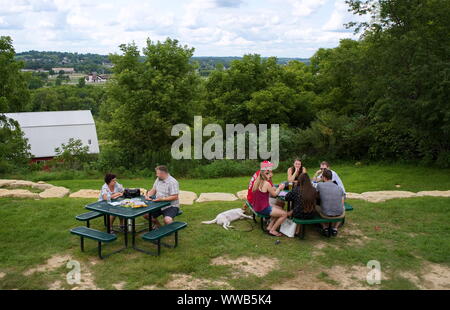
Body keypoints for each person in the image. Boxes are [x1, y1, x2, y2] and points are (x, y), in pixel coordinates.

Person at [251, 168, 288, 237]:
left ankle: (269, 226)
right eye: (268, 173)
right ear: (264, 174)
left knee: (280, 209)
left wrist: (274, 187)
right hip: (263, 209)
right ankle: (273, 230)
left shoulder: (257, 181)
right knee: (284, 214)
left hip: (256, 207)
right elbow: (274, 194)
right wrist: (279, 188)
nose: (270, 175)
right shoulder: (266, 183)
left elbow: (266, 191)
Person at [315, 169, 345, 237]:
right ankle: (335, 228)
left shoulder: (320, 185)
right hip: (339, 214)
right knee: (343, 207)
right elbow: (343, 200)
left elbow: (315, 195)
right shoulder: (339, 188)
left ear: (324, 178)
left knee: (314, 206)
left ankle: (325, 227)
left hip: (325, 214)